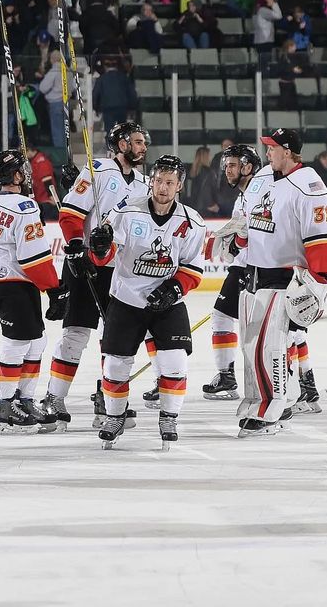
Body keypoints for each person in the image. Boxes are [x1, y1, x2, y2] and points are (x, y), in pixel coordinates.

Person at [90, 155, 206, 449]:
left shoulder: (192, 222)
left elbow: (192, 268)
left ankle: (169, 417)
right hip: (126, 299)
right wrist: (100, 246)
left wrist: (173, 290)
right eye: (158, 181)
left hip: (166, 303)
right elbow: (104, 256)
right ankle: (115, 417)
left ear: (179, 186)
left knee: (174, 361)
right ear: (151, 181)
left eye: (169, 182)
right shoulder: (126, 213)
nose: (162, 188)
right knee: (115, 365)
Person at [233, 129, 327, 437]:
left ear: (289, 151)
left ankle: (271, 409)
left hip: (283, 278)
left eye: (273, 148)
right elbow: (257, 220)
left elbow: (325, 238)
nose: (267, 153)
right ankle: (258, 400)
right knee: (251, 346)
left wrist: (319, 282)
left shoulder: (309, 186)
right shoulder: (267, 177)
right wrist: (240, 238)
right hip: (254, 273)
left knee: (270, 346)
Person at [45, 121, 150, 430]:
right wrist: (76, 247)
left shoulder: (144, 184)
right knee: (76, 333)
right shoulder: (99, 170)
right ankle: (54, 398)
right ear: (121, 145)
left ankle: (107, 396)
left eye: (144, 142)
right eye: (137, 141)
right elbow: (70, 213)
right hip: (86, 264)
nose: (143, 147)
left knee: (115, 337)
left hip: (119, 271)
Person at [0, 149, 61, 432]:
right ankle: (5, 404)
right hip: (14, 284)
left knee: (36, 342)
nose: (27, 174)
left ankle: (24, 400)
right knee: (15, 345)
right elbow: (34, 258)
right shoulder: (24, 208)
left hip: (0, 284)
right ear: (15, 175)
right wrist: (54, 288)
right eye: (22, 170)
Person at [201, 144, 263, 402]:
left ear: (248, 167)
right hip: (243, 266)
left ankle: (302, 381)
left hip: (259, 267)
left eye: (233, 165)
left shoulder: (259, 193)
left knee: (276, 330)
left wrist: (239, 241)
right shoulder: (243, 195)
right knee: (223, 315)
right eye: (226, 165)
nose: (227, 170)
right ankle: (226, 376)